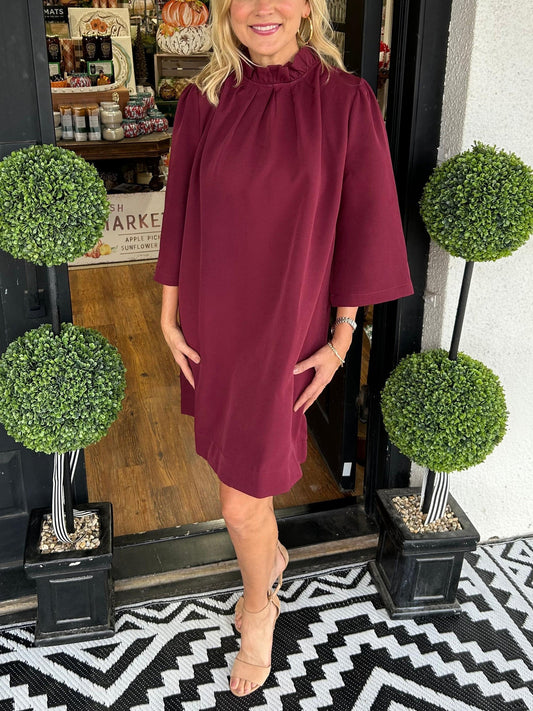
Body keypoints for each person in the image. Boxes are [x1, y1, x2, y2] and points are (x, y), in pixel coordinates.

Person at [154, 0, 413, 698]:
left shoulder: (346, 101)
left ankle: (259, 607)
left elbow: (364, 221)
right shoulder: (204, 99)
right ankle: (267, 564)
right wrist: (168, 315)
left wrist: (343, 333)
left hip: (287, 324)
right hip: (215, 318)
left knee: (241, 498)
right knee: (236, 473)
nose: (262, 9)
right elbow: (179, 209)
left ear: (306, 7)